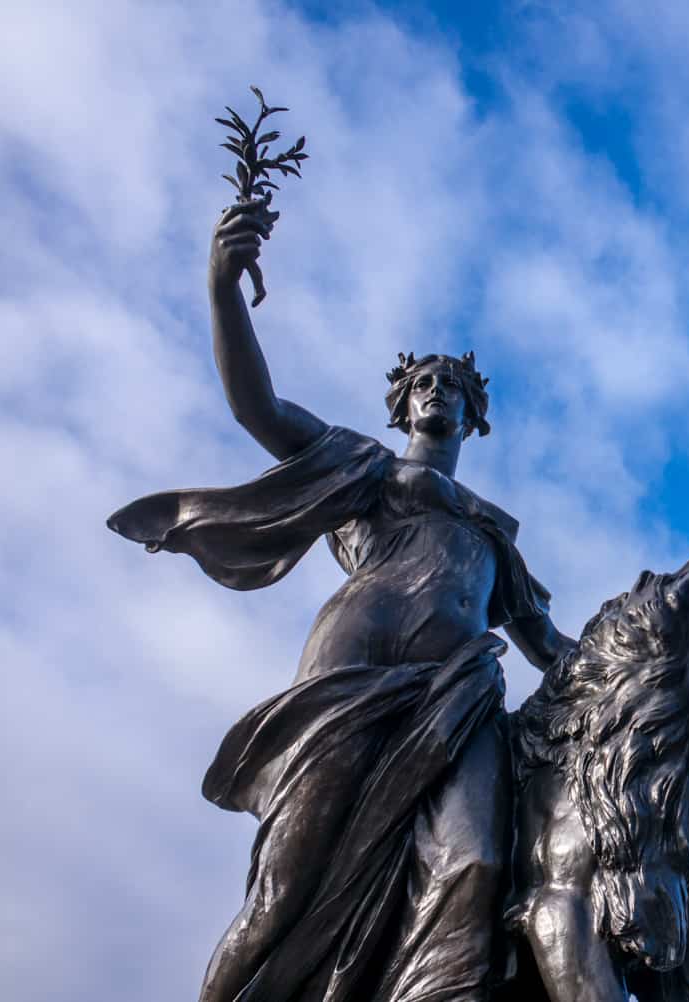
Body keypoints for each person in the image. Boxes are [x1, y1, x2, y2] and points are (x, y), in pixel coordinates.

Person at [108, 199, 575, 1002]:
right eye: (423, 382)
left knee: (476, 862)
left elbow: (553, 649)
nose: (437, 390)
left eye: (452, 385)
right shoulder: (363, 467)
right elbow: (258, 408)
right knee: (283, 894)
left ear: (474, 415)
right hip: (351, 675)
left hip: (459, 695)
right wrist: (222, 288)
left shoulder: (494, 532)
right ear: (402, 405)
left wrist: (652, 654)